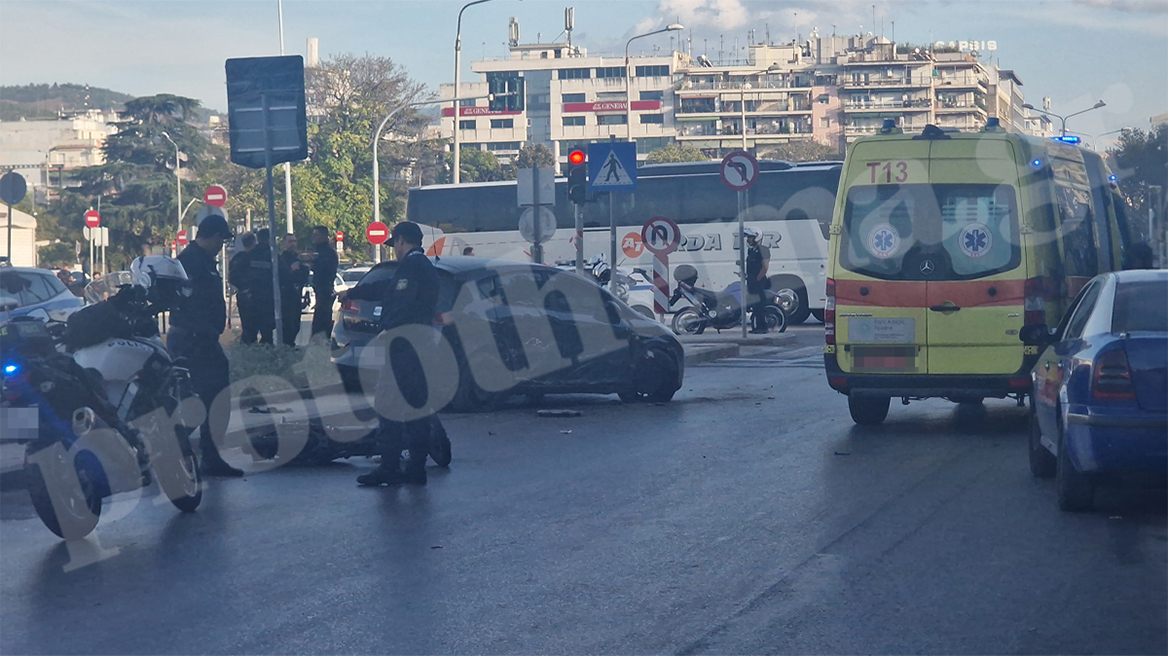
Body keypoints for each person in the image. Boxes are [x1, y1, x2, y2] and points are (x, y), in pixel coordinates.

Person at [340, 221, 440, 487]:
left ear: (401, 241)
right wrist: (355, 292)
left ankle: (390, 467)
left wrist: (388, 330)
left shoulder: (413, 266)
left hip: (405, 346)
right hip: (418, 344)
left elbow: (400, 301)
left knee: (389, 404)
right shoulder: (420, 267)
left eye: (394, 243)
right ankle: (415, 468)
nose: (394, 249)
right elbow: (386, 288)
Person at [169, 215, 245, 477]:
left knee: (212, 397)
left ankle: (207, 455)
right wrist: (203, 330)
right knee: (205, 398)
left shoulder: (200, 261)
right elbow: (187, 302)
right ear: (212, 237)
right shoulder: (190, 262)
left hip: (202, 339)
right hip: (194, 340)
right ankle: (179, 445)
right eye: (222, 240)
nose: (222, 245)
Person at [238, 229, 277, 344]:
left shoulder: (246, 257)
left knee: (249, 335)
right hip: (267, 301)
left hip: (249, 301)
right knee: (267, 335)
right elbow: (284, 276)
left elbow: (235, 276)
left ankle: (248, 358)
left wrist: (247, 288)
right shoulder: (273, 257)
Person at [279, 233, 310, 346]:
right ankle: (286, 347)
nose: (293, 244)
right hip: (285, 298)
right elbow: (280, 278)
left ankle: (290, 345)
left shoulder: (299, 259)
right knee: (287, 325)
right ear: (284, 244)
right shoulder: (281, 260)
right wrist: (291, 270)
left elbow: (304, 275)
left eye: (294, 241)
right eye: (290, 241)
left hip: (296, 297)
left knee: (296, 325)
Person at [310, 225, 339, 338]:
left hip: (325, 291)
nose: (314, 237)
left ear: (323, 236)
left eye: (316, 235)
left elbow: (326, 270)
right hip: (320, 291)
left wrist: (314, 265)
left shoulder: (327, 253)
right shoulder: (319, 251)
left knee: (321, 322)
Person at [228, 232, 258, 342]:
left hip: (243, 296)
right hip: (255, 297)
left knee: (248, 329)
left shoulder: (237, 258)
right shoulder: (256, 256)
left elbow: (232, 278)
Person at [744, 227, 772, 334]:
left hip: (759, 282)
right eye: (748, 237)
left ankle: (762, 327)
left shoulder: (763, 249)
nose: (748, 239)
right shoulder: (750, 251)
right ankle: (756, 327)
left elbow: (765, 267)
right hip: (751, 281)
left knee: (760, 305)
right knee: (754, 306)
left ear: (757, 237)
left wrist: (758, 279)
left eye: (750, 237)